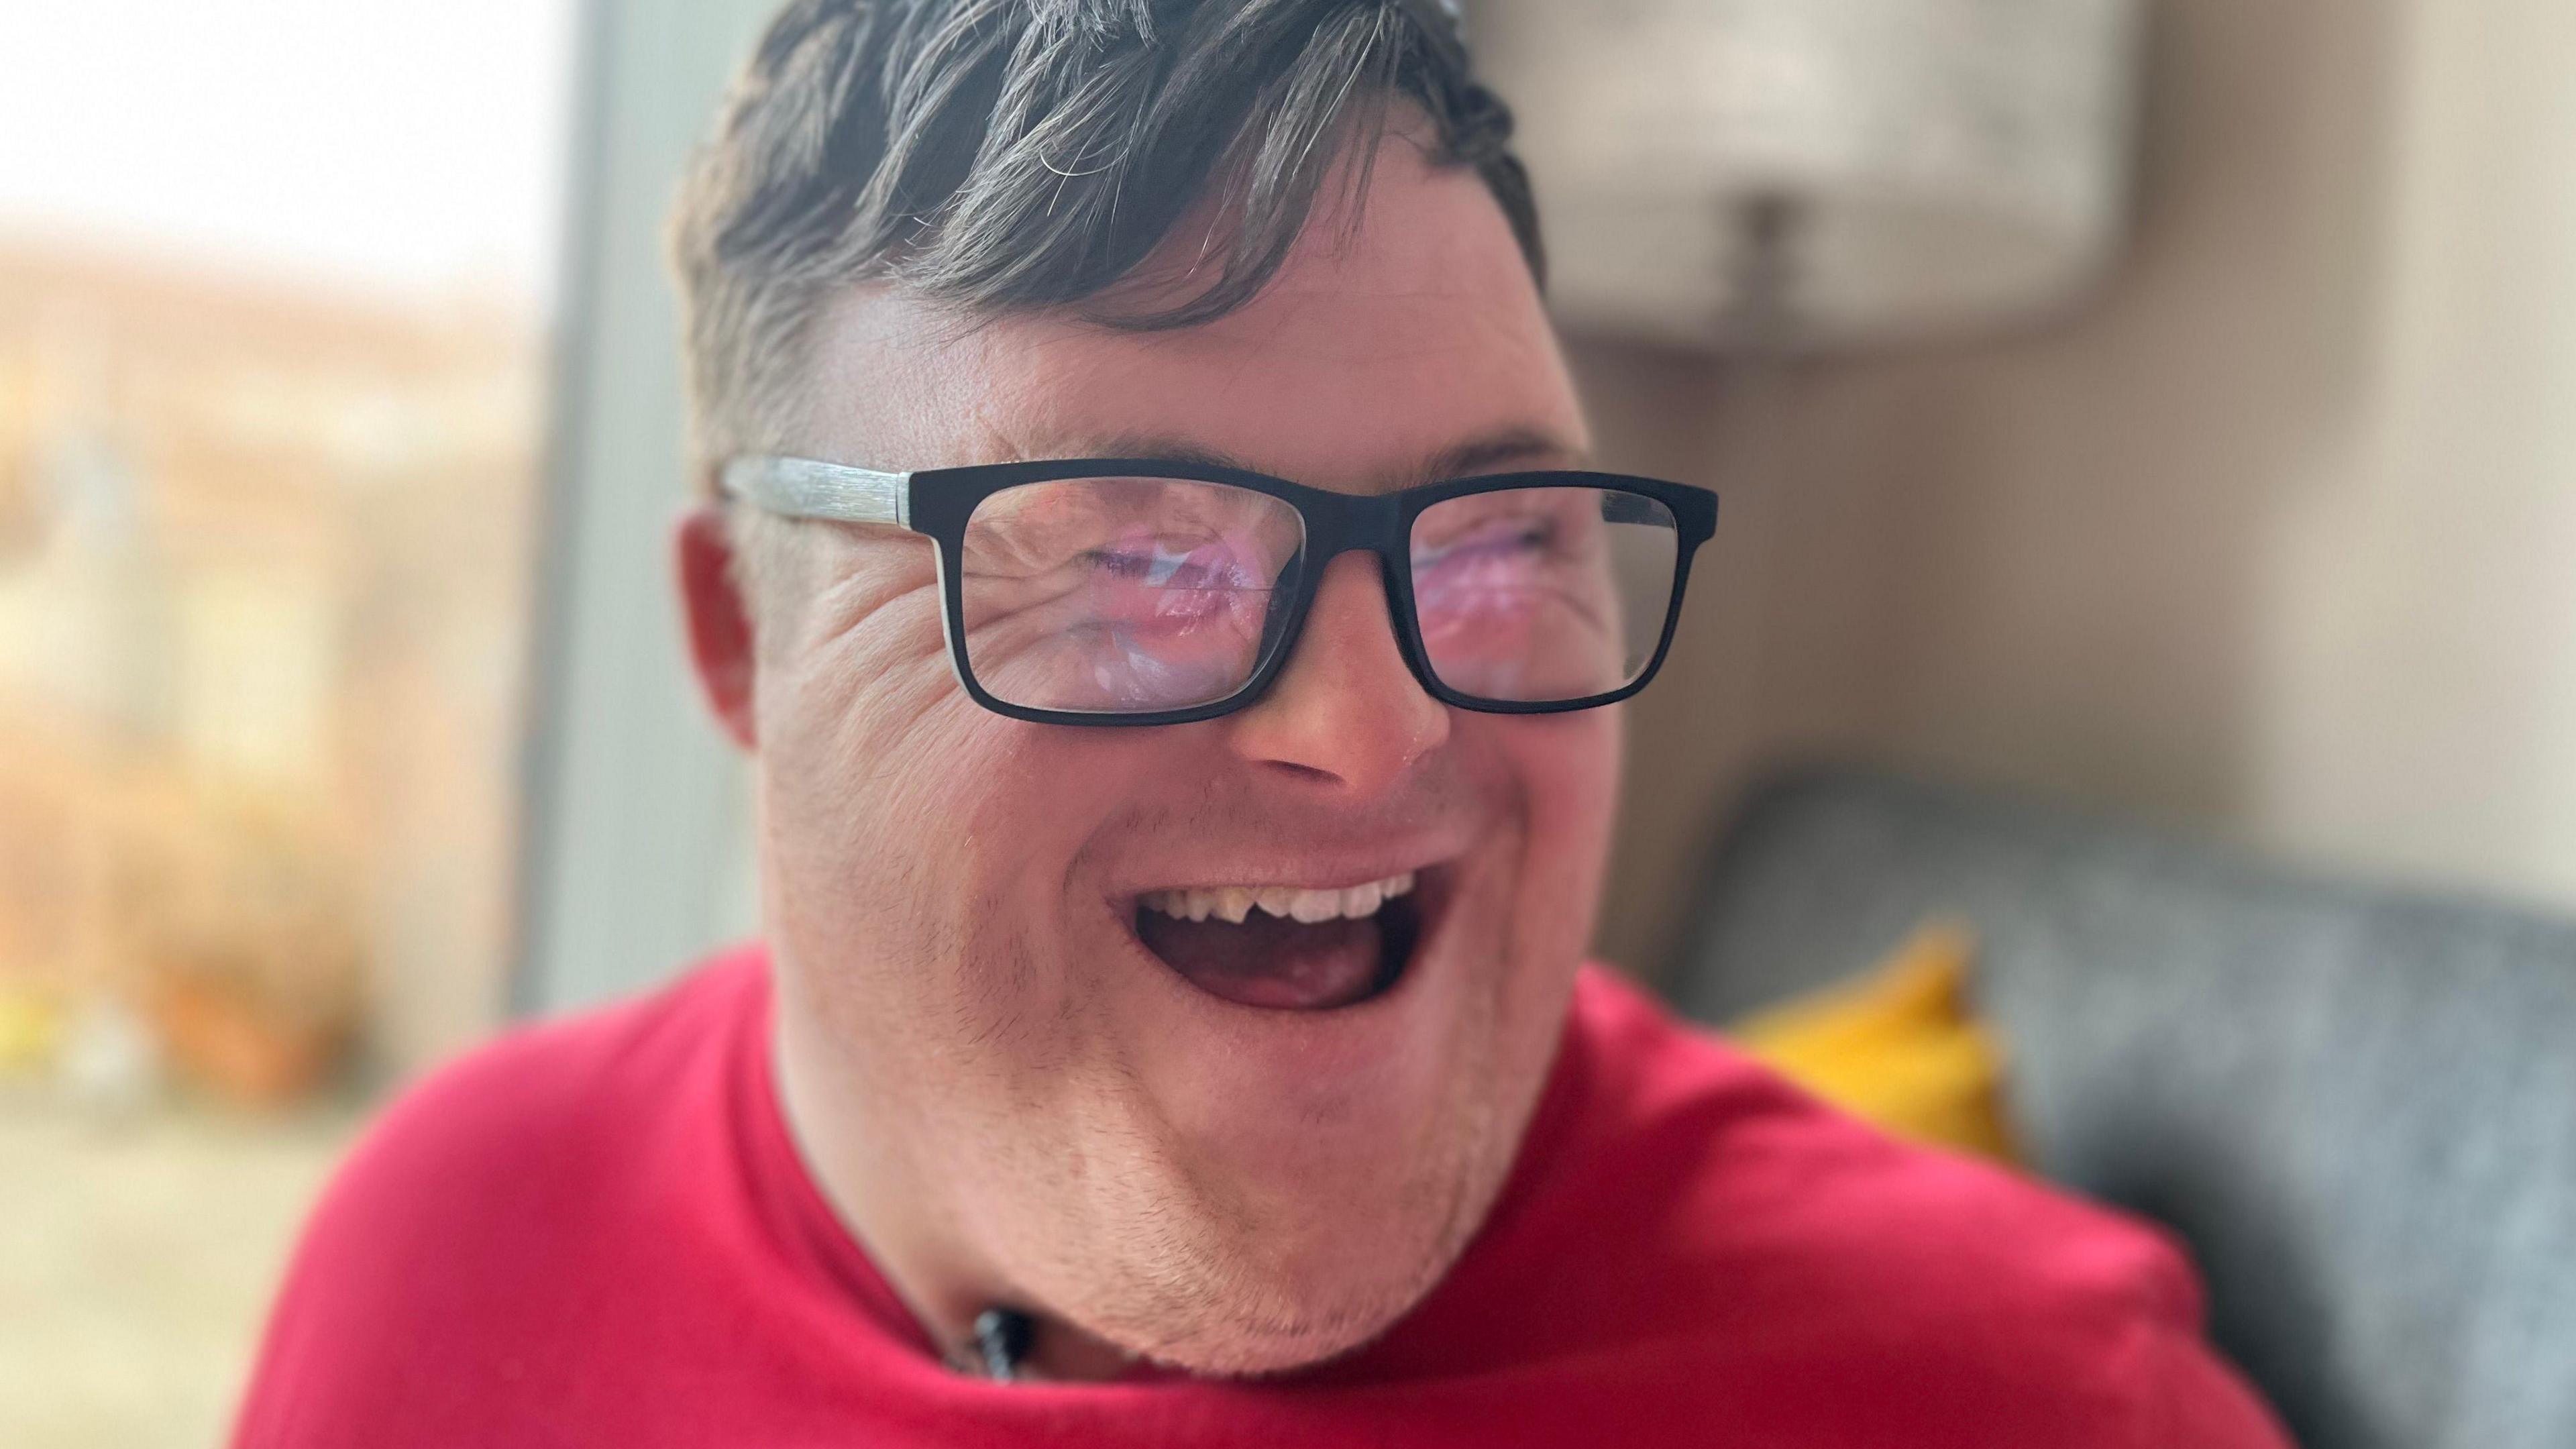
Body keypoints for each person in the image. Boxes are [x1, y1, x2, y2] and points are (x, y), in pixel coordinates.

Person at [234, 1, 2292, 1444]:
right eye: (1129, 557)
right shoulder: (444, 1256)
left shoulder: (2035, 1401)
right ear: (738, 640)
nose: (1373, 730)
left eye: (1494, 538)